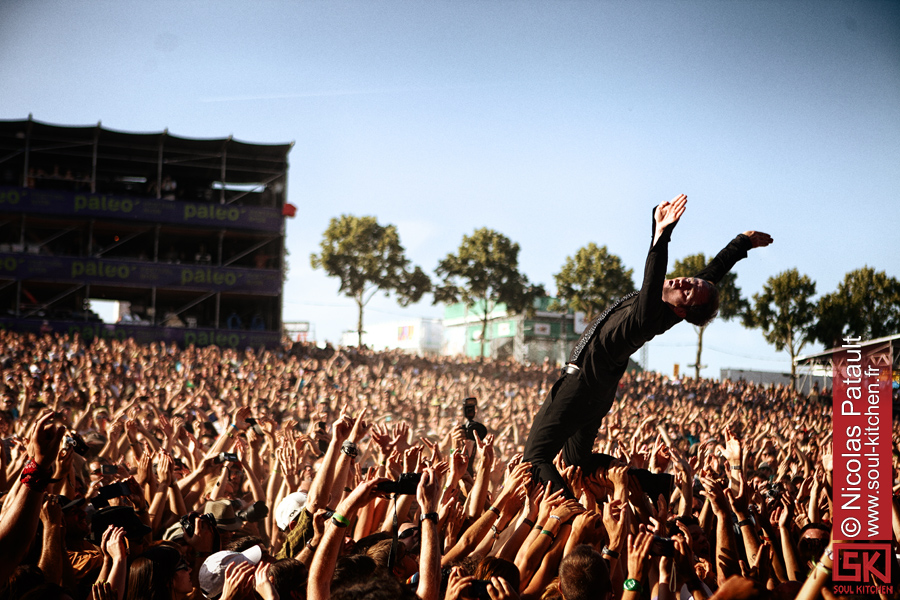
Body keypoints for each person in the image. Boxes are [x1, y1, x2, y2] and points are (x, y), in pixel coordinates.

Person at [523, 194, 773, 495]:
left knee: (534, 460)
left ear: (682, 311)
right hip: (595, 394)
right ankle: (670, 486)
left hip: (580, 387)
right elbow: (711, 275)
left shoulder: (648, 314)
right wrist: (741, 243)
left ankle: (564, 518)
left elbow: (654, 273)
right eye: (690, 282)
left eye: (689, 293)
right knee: (577, 464)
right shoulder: (672, 306)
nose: (685, 283)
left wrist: (662, 234)